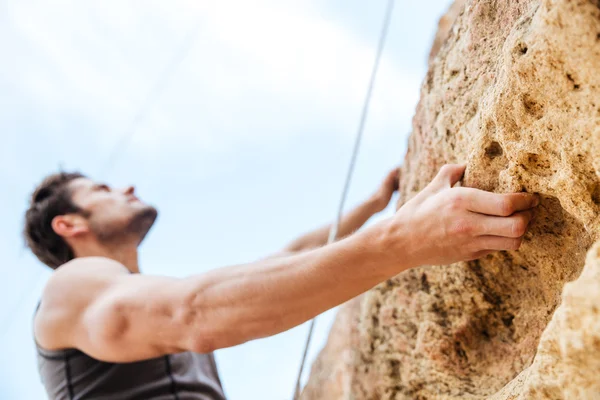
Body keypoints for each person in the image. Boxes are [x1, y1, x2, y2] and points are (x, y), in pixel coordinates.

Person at [25, 164, 538, 400]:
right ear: (69, 226)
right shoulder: (70, 288)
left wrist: (372, 208)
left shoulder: (133, 295)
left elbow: (288, 259)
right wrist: (402, 240)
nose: (127, 185)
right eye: (101, 187)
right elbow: (194, 314)